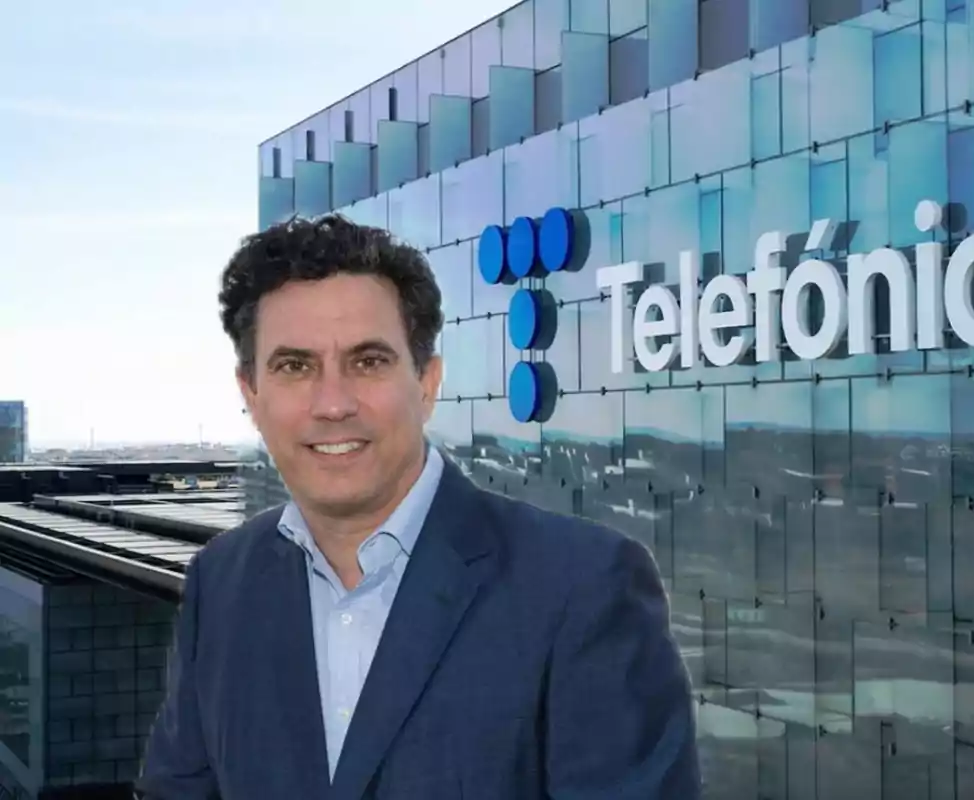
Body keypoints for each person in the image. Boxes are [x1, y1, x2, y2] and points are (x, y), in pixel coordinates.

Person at [136, 215, 700, 799]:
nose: (333, 404)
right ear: (251, 394)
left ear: (427, 384)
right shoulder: (221, 581)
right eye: (295, 366)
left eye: (368, 361)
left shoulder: (583, 587)